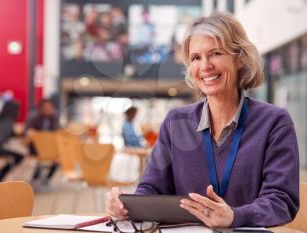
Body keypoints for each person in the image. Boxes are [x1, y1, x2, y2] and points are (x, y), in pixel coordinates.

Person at [106, 12, 299, 228]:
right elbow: (151, 188)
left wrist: (234, 216)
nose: (205, 66)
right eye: (196, 58)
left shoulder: (274, 122)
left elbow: (282, 201)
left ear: (240, 58)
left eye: (215, 53)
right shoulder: (175, 121)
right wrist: (127, 206)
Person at [0, 100, 24, 182]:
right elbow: (12, 134)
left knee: (16, 155)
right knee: (19, 156)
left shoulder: (2, 120)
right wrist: (23, 133)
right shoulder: (8, 121)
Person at [26, 98, 59, 188]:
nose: (48, 109)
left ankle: (46, 179)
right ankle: (36, 178)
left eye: (49, 107)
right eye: (45, 107)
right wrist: (31, 133)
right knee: (40, 159)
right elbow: (28, 130)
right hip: (36, 148)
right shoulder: (35, 118)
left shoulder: (54, 118)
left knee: (59, 158)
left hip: (51, 148)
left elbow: (56, 132)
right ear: (41, 108)